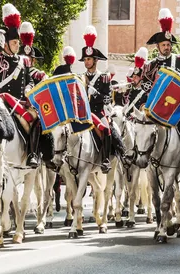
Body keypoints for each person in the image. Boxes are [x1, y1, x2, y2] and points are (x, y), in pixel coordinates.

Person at [0, 4, 40, 168]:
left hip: (19, 103)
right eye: (14, 43)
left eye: (18, 43)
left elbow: (29, 79)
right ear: (6, 43)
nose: (17, 46)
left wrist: (29, 88)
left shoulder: (24, 61)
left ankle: (32, 154)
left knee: (36, 120)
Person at [79, 25, 115, 173]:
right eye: (85, 59)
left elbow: (107, 99)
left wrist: (96, 93)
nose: (87, 62)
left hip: (98, 113)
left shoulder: (104, 78)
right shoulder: (80, 77)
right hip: (83, 113)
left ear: (95, 60)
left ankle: (106, 159)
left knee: (106, 129)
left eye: (89, 59)